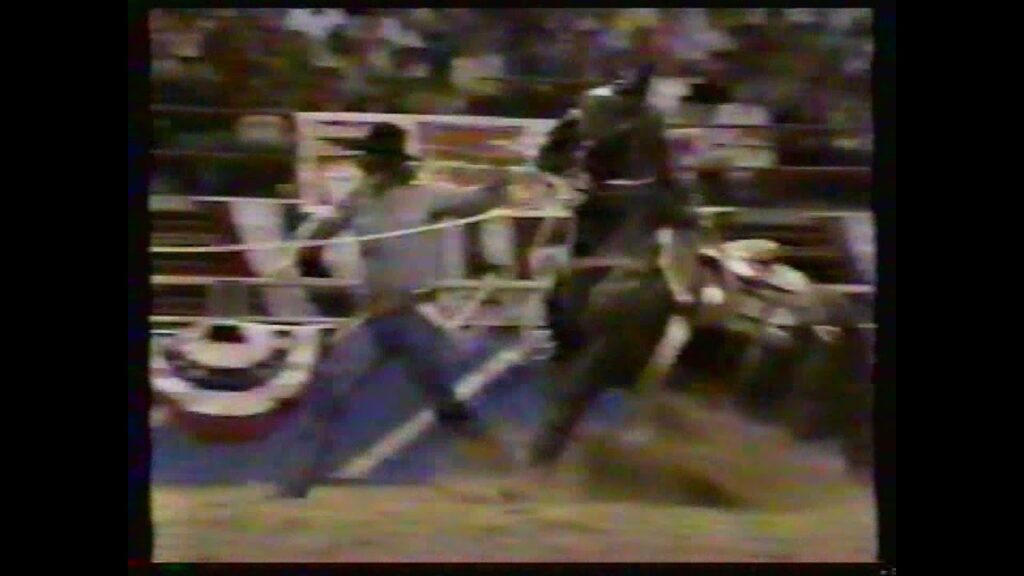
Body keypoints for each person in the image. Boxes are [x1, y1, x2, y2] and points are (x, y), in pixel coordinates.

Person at [275, 122, 512, 498]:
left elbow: (480, 202)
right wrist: (311, 245)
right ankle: (294, 482)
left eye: (376, 161)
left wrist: (500, 183)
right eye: (371, 161)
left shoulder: (428, 196)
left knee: (446, 397)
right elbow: (321, 232)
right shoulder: (358, 200)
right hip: (376, 314)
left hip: (417, 313)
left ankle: (503, 470)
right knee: (330, 388)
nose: (372, 169)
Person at [527, 63, 700, 470]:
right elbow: (554, 158)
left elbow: (555, 156)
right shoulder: (615, 116)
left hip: (625, 209)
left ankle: (679, 296)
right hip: (619, 208)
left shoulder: (621, 119)